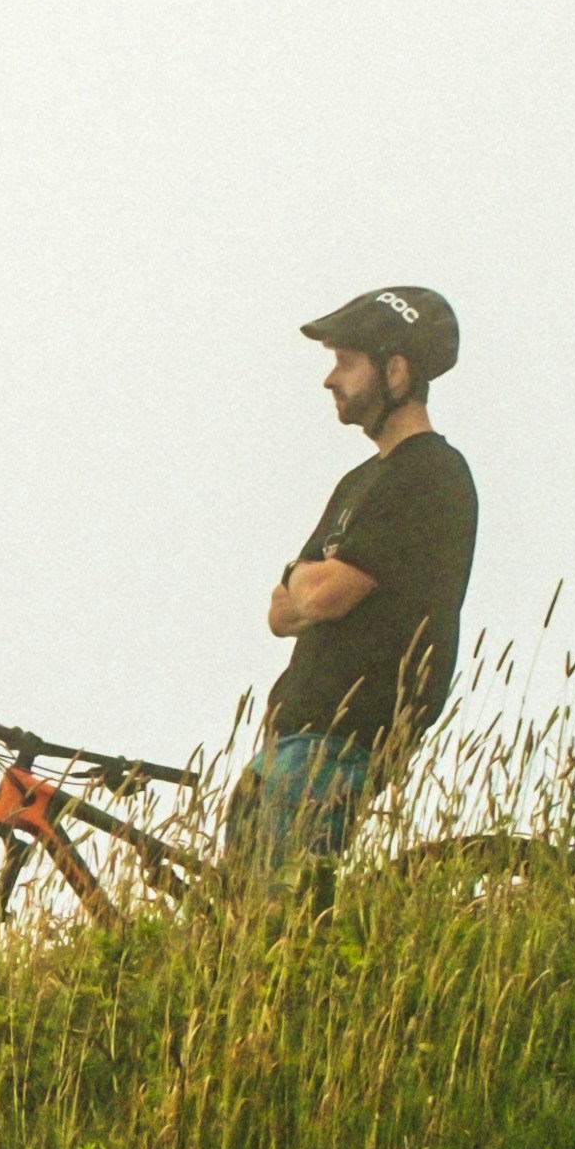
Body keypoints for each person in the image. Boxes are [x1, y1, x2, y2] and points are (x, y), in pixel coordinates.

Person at [238, 282, 475, 883]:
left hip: (340, 743)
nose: (330, 379)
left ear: (395, 371)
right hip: (291, 739)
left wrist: (303, 580)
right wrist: (305, 583)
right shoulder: (359, 482)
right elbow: (279, 614)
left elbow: (317, 596)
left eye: (346, 363)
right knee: (234, 928)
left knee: (274, 935)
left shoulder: (429, 474)